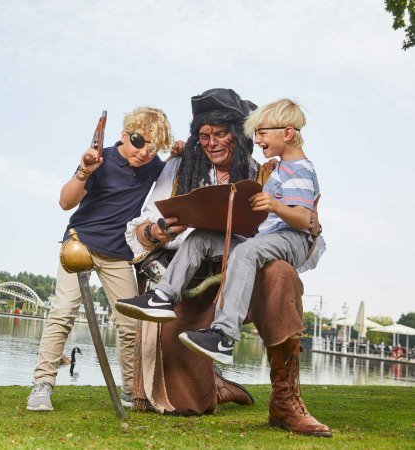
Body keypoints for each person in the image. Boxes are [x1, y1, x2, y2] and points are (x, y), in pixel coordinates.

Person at [118, 89, 331, 437]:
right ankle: (212, 382)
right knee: (186, 403)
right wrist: (158, 229)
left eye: (221, 134)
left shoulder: (263, 172)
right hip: (188, 284)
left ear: (237, 133)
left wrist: (307, 223)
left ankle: (285, 399)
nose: (212, 143)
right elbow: (138, 231)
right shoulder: (179, 166)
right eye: (204, 136)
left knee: (281, 274)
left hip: (240, 276)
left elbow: (293, 233)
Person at [26, 106, 173, 412]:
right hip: (80, 245)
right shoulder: (100, 159)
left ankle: (132, 391)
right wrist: (84, 170)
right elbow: (65, 202)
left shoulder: (154, 167)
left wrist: (181, 151)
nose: (145, 152)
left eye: (153, 146)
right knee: (63, 312)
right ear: (124, 134)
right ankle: (42, 385)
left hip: (119, 253)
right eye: (138, 141)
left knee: (131, 324)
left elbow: (175, 170)